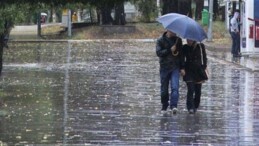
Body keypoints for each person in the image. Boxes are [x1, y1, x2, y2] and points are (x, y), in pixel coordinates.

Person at [156, 30, 183, 114]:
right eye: (172, 30)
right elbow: (159, 53)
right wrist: (169, 50)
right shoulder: (160, 40)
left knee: (175, 87)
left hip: (175, 67)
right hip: (164, 67)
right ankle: (164, 105)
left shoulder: (178, 40)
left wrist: (182, 67)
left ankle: (174, 106)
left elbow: (181, 55)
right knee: (164, 89)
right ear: (168, 30)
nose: (174, 32)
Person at [181, 39, 208, 114]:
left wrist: (204, 67)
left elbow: (204, 58)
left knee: (198, 91)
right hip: (189, 70)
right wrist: (182, 68)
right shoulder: (185, 47)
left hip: (198, 71)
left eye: (190, 39)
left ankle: (195, 105)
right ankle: (190, 107)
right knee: (190, 89)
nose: (188, 41)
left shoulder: (200, 46)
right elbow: (182, 59)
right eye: (187, 39)